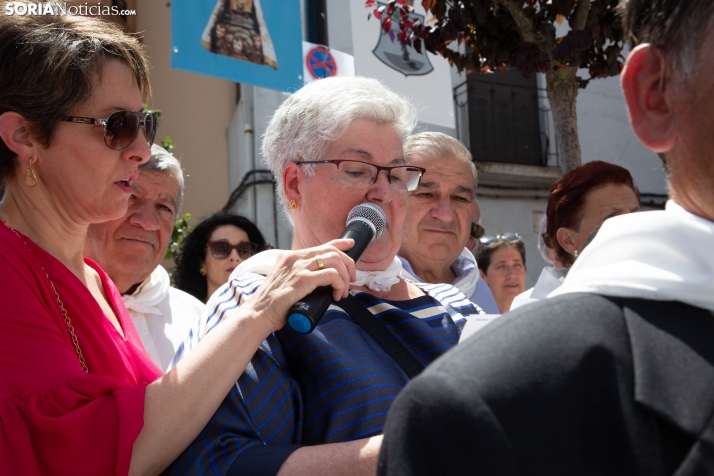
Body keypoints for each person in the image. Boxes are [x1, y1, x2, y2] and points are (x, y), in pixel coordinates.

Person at [0, 12, 345, 475]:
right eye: (117, 126)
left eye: (145, 123)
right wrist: (260, 309)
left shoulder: (97, 281)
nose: (141, 149)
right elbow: (98, 454)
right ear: (24, 136)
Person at [377, 0, 714, 474]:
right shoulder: (489, 399)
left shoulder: (482, 317)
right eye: (426, 192)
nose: (443, 212)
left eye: (459, 195)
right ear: (654, 94)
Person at [167, 76, 480, 476]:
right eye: (357, 170)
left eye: (397, 174)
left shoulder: (458, 306)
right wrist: (400, 453)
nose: (383, 192)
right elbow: (209, 463)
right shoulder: (254, 301)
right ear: (294, 183)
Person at [84, 144, 205, 372]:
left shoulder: (198, 320)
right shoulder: (41, 305)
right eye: (132, 198)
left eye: (163, 207)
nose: (148, 221)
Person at [511, 161, 640, 310]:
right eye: (612, 219)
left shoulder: (663, 291)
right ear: (568, 241)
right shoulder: (537, 314)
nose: (632, 227)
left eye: (635, 215)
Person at [398, 132, 499, 314]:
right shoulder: (359, 285)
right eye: (426, 194)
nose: (446, 215)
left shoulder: (477, 288)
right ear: (391, 200)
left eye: (459, 198)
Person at [174, 213, 268, 303]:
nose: (234, 257)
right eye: (222, 248)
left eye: (243, 249)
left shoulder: (273, 316)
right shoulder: (183, 315)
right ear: (202, 264)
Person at [475, 234, 526, 313]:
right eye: (501, 266)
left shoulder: (540, 318)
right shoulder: (469, 321)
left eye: (517, 265)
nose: (512, 275)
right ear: (482, 276)